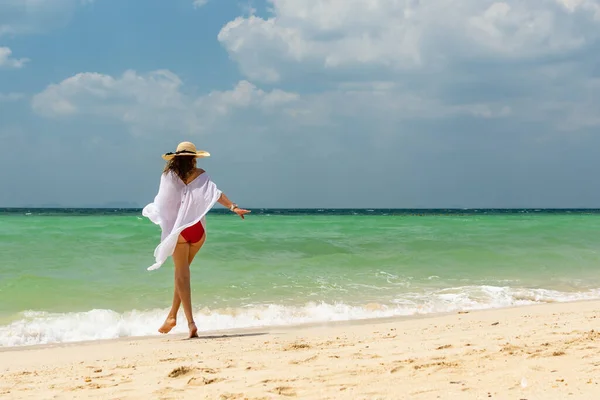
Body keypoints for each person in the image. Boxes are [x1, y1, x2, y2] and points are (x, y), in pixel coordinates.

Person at [142, 141, 250, 338]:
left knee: (181, 275)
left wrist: (159, 216)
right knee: (182, 275)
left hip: (180, 231)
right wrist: (234, 207)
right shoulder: (201, 175)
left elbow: (163, 202)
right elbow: (216, 195)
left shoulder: (168, 176)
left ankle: (190, 323)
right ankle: (172, 315)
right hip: (197, 230)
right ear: (193, 158)